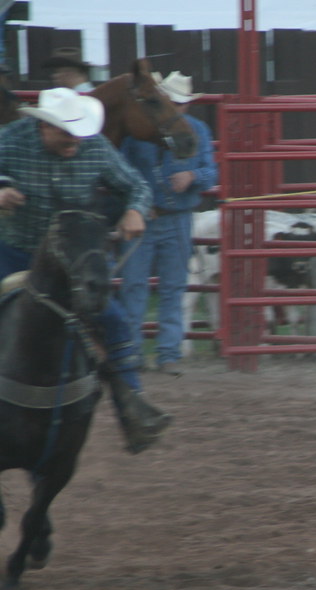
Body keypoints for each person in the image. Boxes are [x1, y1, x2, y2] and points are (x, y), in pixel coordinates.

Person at [0, 88, 171, 453]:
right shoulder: (9, 141)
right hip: (14, 252)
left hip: (70, 263)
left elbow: (135, 185)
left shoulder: (94, 147)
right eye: (66, 132)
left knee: (114, 319)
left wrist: (136, 209)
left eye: (78, 132)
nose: (74, 140)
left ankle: (133, 407)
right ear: (44, 128)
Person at [118, 71, 218, 376]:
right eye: (174, 102)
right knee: (137, 286)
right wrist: (136, 203)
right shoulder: (143, 130)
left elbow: (211, 172)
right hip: (150, 217)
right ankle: (139, 353)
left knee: (170, 287)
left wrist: (193, 176)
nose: (178, 108)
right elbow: (119, 167)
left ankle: (165, 353)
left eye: (182, 104)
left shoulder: (197, 131)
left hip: (175, 218)